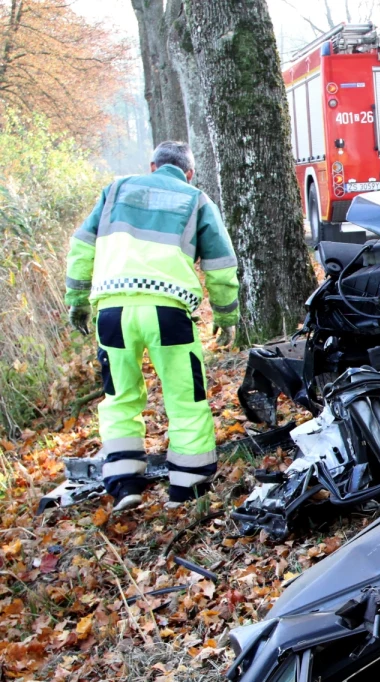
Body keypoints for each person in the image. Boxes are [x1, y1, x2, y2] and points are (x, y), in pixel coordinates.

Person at [64, 141, 240, 511]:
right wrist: (225, 316)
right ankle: (186, 489)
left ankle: (125, 483)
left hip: (113, 312)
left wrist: (78, 302)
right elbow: (222, 265)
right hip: (168, 312)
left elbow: (82, 248)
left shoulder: (115, 191)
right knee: (185, 398)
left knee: (119, 398)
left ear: (152, 165)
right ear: (189, 172)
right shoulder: (195, 199)